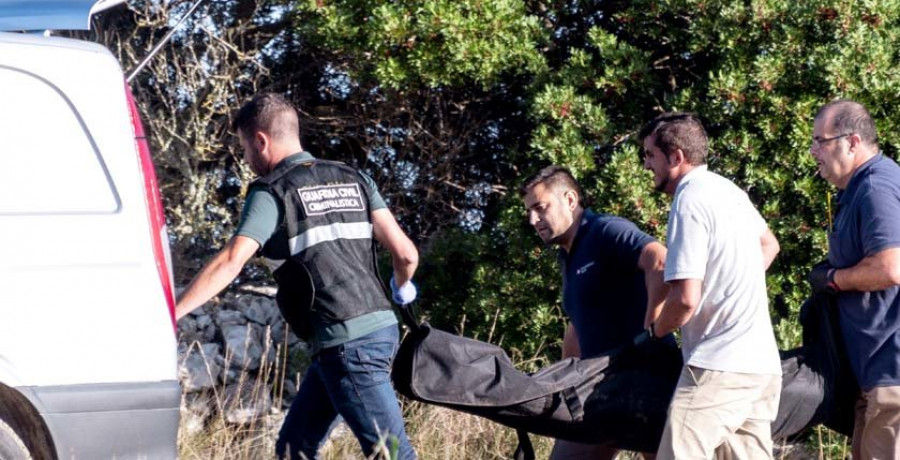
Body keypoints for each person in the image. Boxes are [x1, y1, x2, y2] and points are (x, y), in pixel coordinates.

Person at [174, 93, 419, 460]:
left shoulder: (272, 191)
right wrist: (402, 287)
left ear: (261, 140)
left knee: (392, 453)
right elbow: (406, 254)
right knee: (294, 448)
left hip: (347, 343)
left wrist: (171, 314)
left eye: (244, 148)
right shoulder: (355, 178)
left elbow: (231, 260)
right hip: (376, 331)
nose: (245, 159)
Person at [638, 113, 782, 459]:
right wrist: (730, 283)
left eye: (649, 155)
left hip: (720, 364)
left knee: (678, 453)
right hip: (760, 365)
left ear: (676, 157)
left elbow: (686, 300)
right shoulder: (727, 190)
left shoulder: (688, 199)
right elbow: (770, 245)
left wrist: (655, 332)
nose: (646, 166)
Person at [520, 165, 669, 460]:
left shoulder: (605, 230)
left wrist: (653, 330)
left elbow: (660, 262)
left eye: (540, 208)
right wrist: (563, 380)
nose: (533, 220)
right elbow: (578, 324)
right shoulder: (568, 256)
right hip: (601, 392)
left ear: (570, 200)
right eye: (528, 212)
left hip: (646, 382)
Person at [806, 100, 900, 459]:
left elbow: (891, 267)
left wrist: (833, 279)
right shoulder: (857, 190)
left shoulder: (876, 188)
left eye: (820, 140)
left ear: (853, 141)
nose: (814, 150)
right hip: (873, 373)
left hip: (892, 370)